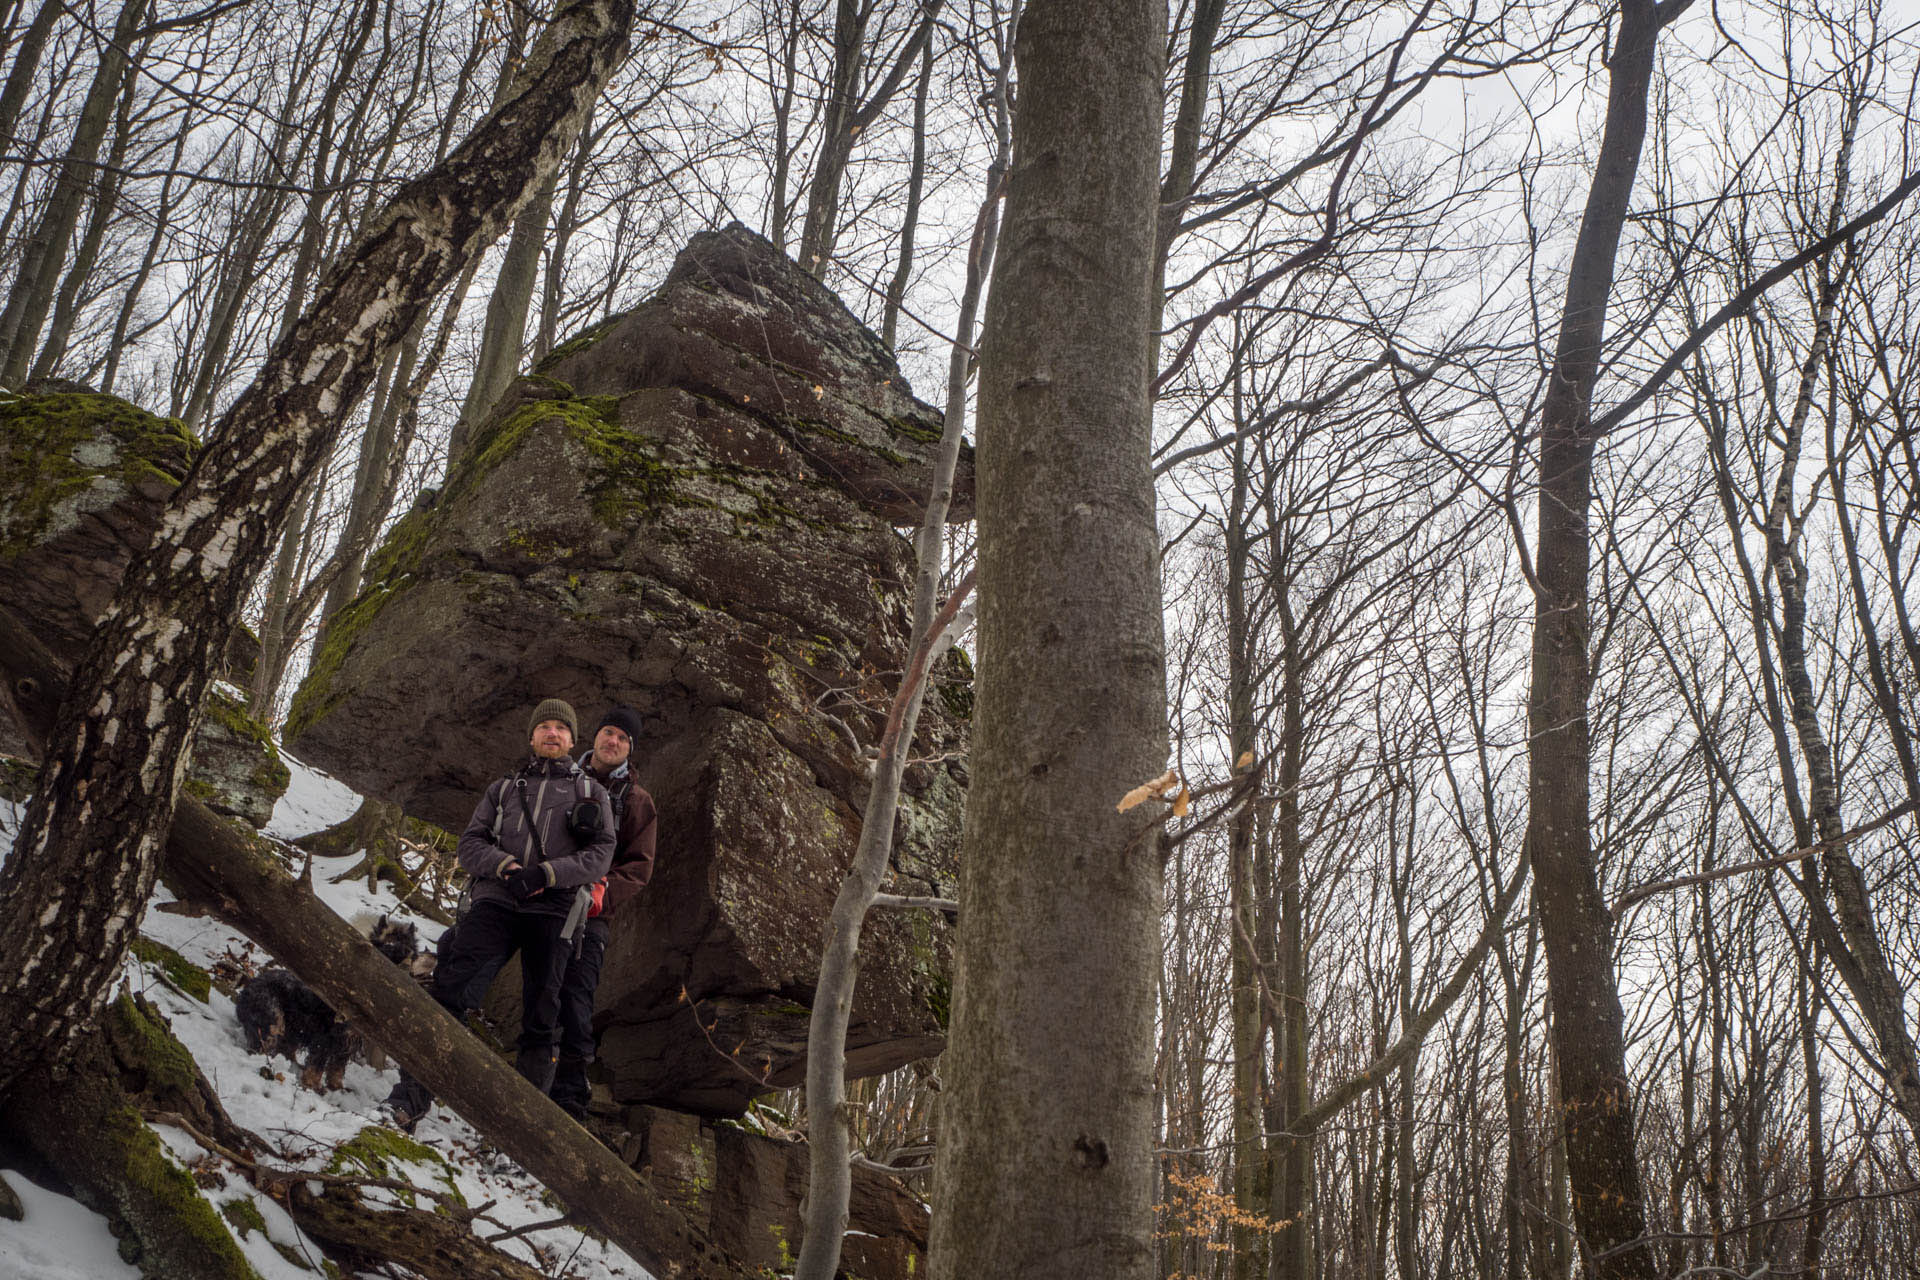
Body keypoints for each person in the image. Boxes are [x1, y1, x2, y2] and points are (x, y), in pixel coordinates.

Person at [384, 698, 615, 1129]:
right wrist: (504, 866)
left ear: (572, 739)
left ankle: (517, 1131)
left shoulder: (591, 793)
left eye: (561, 729)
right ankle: (409, 1099)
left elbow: (601, 856)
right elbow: (469, 842)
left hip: (555, 909)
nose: (553, 733)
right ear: (531, 736)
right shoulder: (504, 789)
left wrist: (547, 873)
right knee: (453, 988)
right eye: (544, 726)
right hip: (496, 900)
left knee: (543, 1018)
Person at [550, 706, 658, 1120]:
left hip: (591, 915)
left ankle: (570, 1097)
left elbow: (639, 865)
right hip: (542, 902)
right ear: (594, 736)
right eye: (608, 732)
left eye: (623, 738)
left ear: (630, 749)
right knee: (540, 990)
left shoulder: (636, 800)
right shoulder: (556, 777)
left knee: (577, 999)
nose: (613, 741)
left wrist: (601, 893)